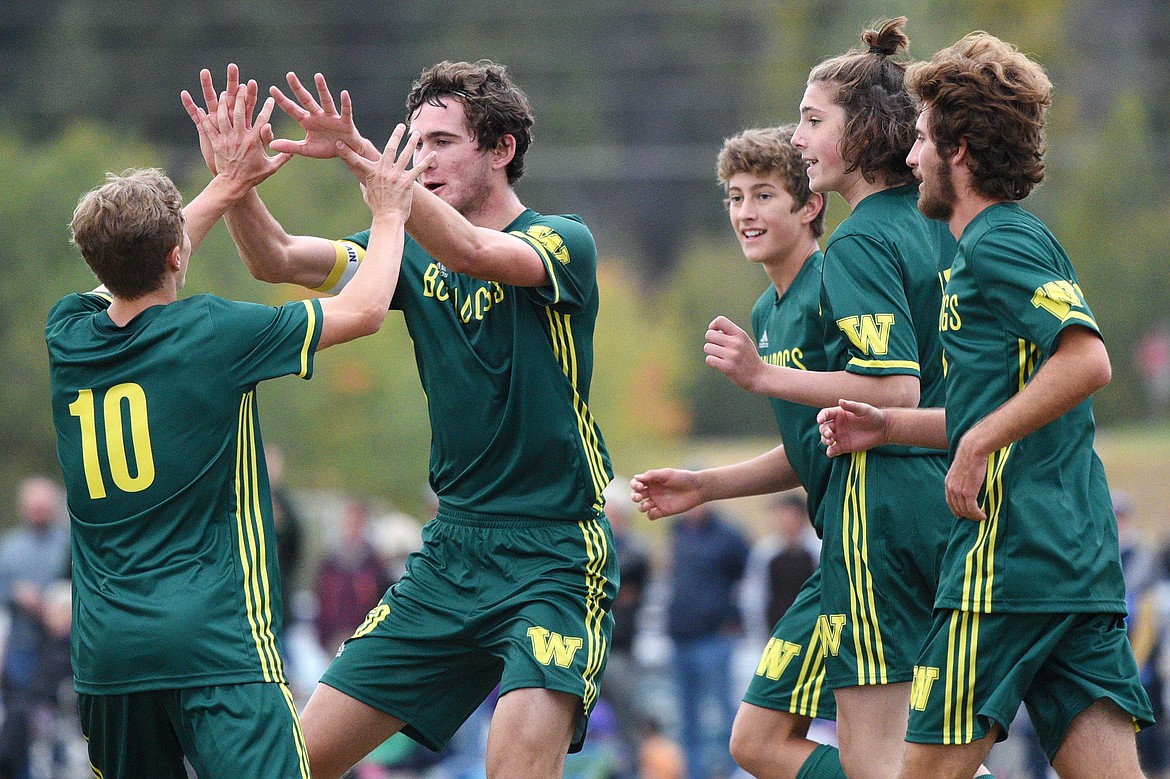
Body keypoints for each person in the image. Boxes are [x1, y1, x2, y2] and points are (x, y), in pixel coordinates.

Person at [184, 59, 618, 779]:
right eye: (415, 143)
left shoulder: (562, 242)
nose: (423, 159)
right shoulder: (406, 243)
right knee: (285, 764)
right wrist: (236, 184)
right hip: (452, 554)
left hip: (553, 556)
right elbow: (278, 259)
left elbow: (472, 249)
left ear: (502, 149)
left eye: (443, 141)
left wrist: (361, 156)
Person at [47, 84, 430, 778]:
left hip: (107, 653)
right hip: (214, 640)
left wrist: (229, 183)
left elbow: (135, 262)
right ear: (174, 257)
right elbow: (368, 307)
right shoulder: (215, 332)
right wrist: (389, 213)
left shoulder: (67, 335)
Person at [817, 31, 1156, 779]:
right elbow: (1010, 401)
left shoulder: (998, 242)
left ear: (959, 149)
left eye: (924, 141)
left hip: (1002, 567)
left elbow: (1086, 359)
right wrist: (891, 425)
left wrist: (974, 448)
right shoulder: (1015, 241)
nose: (910, 158)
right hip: (1074, 561)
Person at [632, 123, 838, 779]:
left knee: (770, 736)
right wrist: (706, 484)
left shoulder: (838, 285)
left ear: (809, 206)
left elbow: (895, 396)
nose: (745, 212)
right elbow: (810, 446)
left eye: (764, 195)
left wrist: (762, 376)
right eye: (735, 196)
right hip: (842, 553)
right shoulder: (767, 311)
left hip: (882, 549)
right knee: (755, 741)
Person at [665, 503, 749, 779]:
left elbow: (748, 578)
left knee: (723, 711)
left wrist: (732, 618)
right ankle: (694, 773)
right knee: (686, 717)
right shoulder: (677, 531)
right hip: (680, 637)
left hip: (714, 637)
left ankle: (733, 771)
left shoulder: (727, 536)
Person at [0, 477, 70, 779]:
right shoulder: (9, 547)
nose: (39, 511)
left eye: (44, 505)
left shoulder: (68, 544)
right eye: (34, 505)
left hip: (62, 649)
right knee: (20, 719)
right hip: (22, 648)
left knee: (61, 723)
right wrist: (18, 596)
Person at [314, 497, 395, 657]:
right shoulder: (330, 563)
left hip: (365, 638)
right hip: (333, 638)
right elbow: (321, 602)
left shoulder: (375, 564)